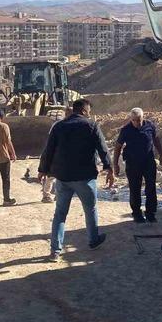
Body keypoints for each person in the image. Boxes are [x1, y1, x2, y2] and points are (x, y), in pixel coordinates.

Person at [38, 98, 114, 262]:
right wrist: (109, 168)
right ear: (85, 111)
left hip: (63, 178)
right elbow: (102, 148)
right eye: (89, 111)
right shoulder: (91, 125)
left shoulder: (59, 126)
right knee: (90, 209)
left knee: (60, 214)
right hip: (84, 178)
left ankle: (55, 251)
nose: (90, 114)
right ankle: (93, 241)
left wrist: (42, 170)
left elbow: (48, 150)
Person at [114, 107, 162, 223]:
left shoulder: (150, 126)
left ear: (143, 117)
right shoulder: (125, 130)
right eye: (134, 120)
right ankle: (137, 214)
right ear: (130, 119)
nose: (136, 123)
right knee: (135, 189)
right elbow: (118, 147)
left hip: (148, 162)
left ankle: (150, 213)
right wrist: (115, 165)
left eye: (138, 120)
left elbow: (156, 140)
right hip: (132, 164)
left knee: (151, 188)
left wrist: (161, 155)